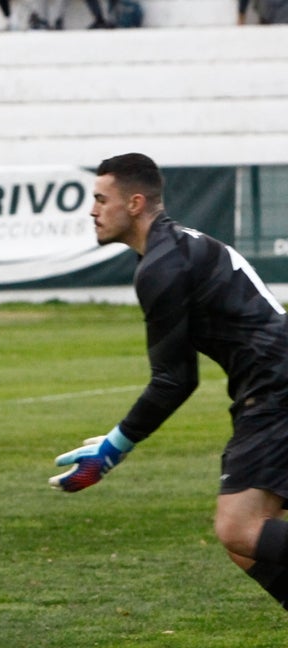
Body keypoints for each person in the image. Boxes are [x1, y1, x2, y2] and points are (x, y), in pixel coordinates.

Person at [50, 152, 288, 615]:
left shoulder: (162, 265)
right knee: (248, 544)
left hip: (276, 386)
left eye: (101, 199)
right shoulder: (179, 247)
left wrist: (114, 448)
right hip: (271, 381)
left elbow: (174, 380)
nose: (93, 211)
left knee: (239, 528)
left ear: (135, 203)